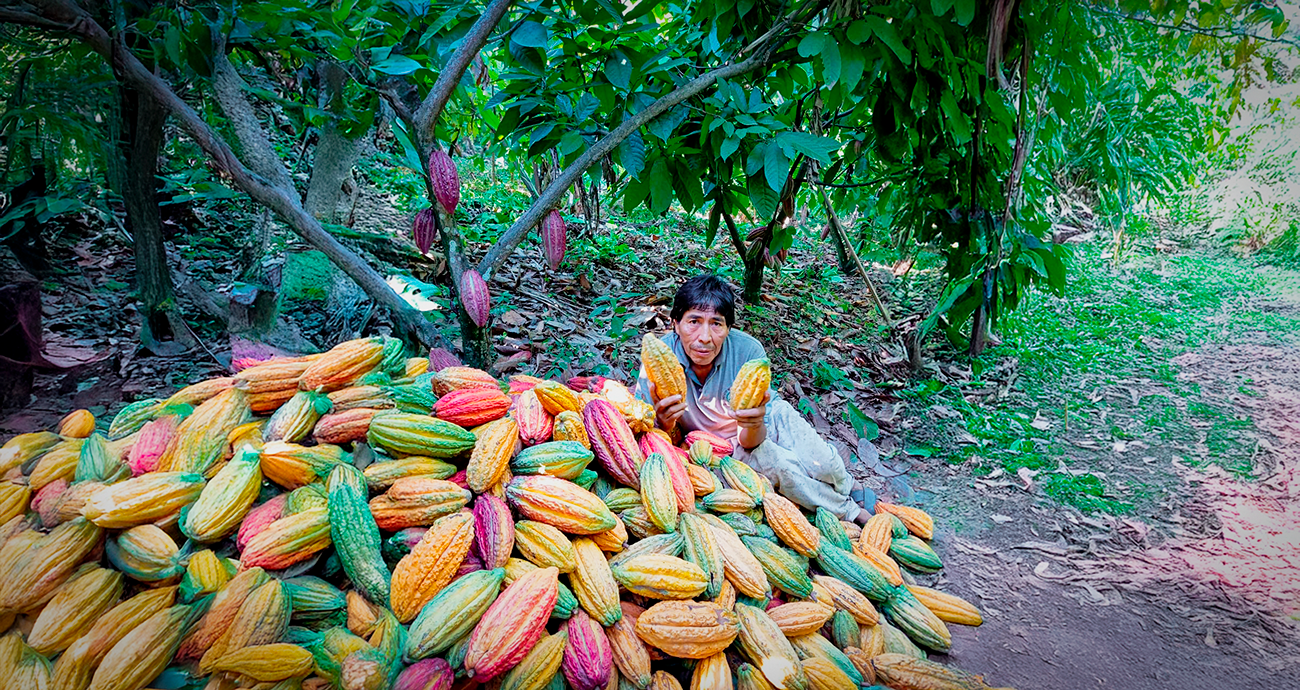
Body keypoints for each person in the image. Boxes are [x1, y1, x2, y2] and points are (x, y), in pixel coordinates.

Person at [634, 274, 873, 525]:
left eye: (717, 324)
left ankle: (846, 483)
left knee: (824, 463)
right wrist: (664, 422)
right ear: (675, 324)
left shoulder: (749, 351)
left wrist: (755, 424)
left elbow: (756, 428)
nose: (704, 337)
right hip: (726, 441)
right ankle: (851, 512)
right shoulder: (657, 357)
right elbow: (655, 436)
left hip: (767, 417)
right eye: (693, 321)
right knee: (786, 470)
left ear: (728, 328)